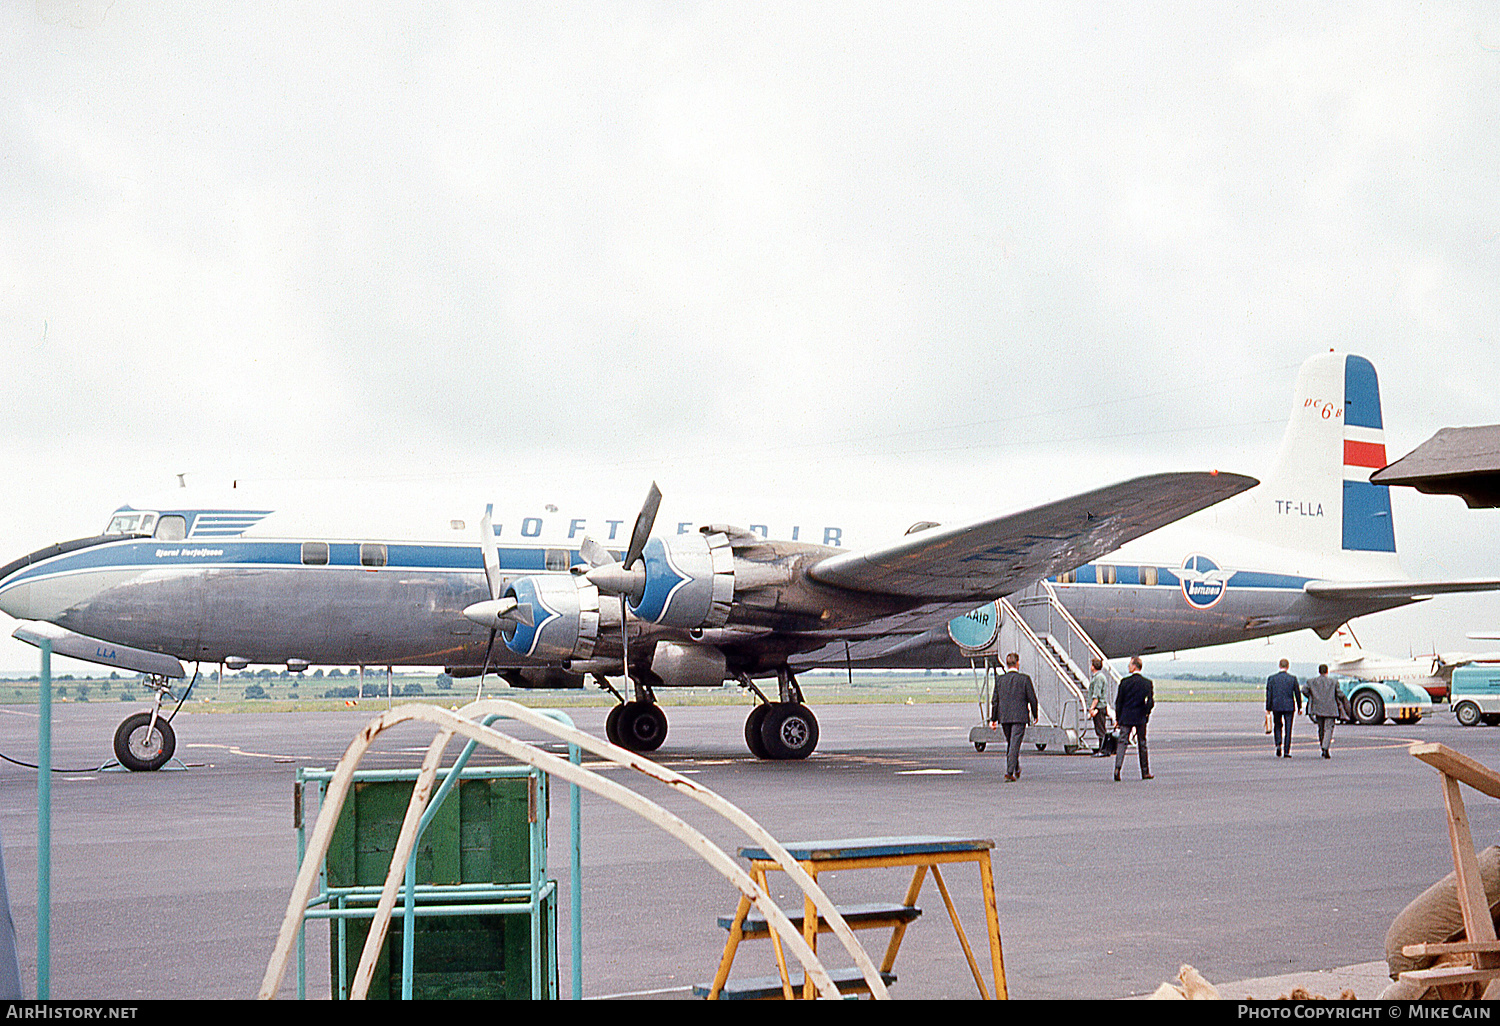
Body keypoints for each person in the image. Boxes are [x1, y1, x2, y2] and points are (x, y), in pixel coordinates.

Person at [988, 652, 1038, 782]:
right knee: (1014, 745)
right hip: (1019, 717)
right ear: (1017, 663)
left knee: (1012, 744)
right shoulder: (1024, 679)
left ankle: (1015, 769)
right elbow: (1032, 699)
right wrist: (1035, 714)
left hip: (1004, 717)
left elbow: (995, 701)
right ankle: (1009, 772)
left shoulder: (1000, 680)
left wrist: (993, 719)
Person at [1113, 656, 1154, 781]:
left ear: (1134, 666)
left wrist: (1118, 718)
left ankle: (1117, 768)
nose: (1129, 667)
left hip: (1126, 716)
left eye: (1130, 665)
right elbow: (1150, 702)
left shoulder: (1124, 682)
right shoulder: (1147, 683)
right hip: (1140, 716)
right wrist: (1146, 713)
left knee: (1122, 742)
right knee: (1142, 743)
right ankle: (1145, 772)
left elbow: (1118, 702)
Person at [1302, 664, 1346, 760]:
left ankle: (1323, 746)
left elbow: (1304, 690)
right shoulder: (1333, 682)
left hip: (1317, 707)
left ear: (1319, 671)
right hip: (1330, 707)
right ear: (1327, 671)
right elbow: (1339, 693)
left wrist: (1311, 696)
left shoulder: (1311, 682)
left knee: (1321, 728)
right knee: (1328, 728)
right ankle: (1325, 747)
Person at [1266, 658, 1302, 758]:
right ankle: (1286, 750)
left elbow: (1269, 694)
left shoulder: (1272, 678)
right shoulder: (1292, 679)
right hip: (1289, 706)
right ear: (1288, 666)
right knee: (1288, 728)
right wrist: (1300, 707)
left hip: (1276, 706)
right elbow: (1297, 694)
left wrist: (1268, 708)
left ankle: (1278, 744)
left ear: (1279, 666)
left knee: (1277, 726)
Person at [1085, 657, 1111, 756]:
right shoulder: (1099, 677)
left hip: (1099, 707)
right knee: (1100, 729)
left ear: (1093, 666)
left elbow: (1096, 695)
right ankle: (1102, 748)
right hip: (1100, 706)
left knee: (1100, 730)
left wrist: (1092, 708)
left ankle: (1103, 749)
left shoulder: (1098, 678)